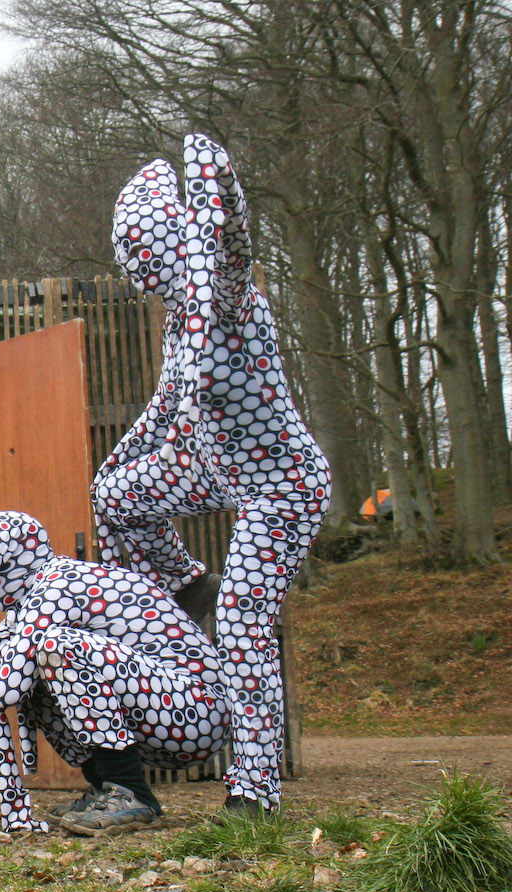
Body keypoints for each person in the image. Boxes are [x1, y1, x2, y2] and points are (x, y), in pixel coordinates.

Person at [91, 134, 330, 817]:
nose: (134, 268)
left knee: (244, 620)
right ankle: (186, 584)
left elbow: (232, 247)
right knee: (114, 496)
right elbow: (163, 411)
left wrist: (212, 177)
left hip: (280, 483)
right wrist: (116, 469)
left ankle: (254, 787)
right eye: (127, 255)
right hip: (210, 466)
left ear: (175, 244)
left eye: (140, 251)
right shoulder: (177, 326)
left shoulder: (226, 300)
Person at [0, 511, 230, 836]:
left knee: (56, 648)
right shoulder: (33, 601)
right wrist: (2, 669)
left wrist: (2, 670)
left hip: (197, 712)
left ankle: (129, 791)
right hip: (168, 716)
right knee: (37, 663)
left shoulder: (59, 584)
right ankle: (105, 786)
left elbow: (3, 688)